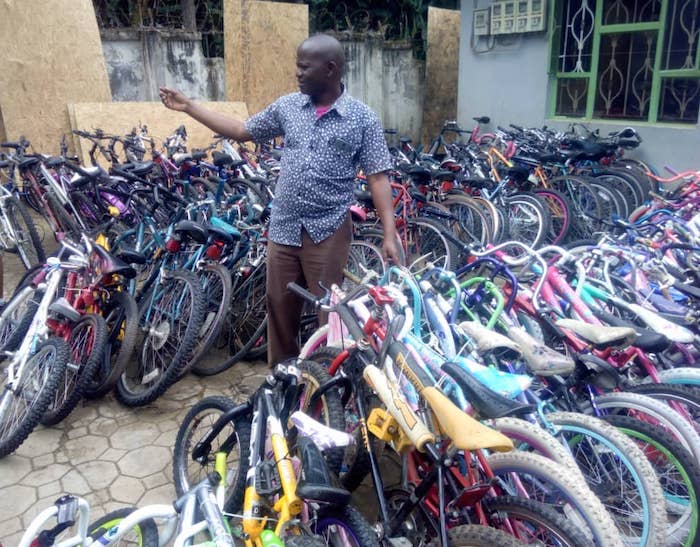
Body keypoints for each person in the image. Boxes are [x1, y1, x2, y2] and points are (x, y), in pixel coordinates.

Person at [160, 33, 400, 367]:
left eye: (305, 67)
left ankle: (321, 384)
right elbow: (243, 130)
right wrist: (190, 107)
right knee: (279, 308)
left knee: (327, 314)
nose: (297, 73)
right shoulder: (288, 107)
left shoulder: (362, 119)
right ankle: (282, 381)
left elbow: (377, 177)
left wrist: (389, 233)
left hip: (328, 231)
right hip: (284, 228)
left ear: (330, 69)